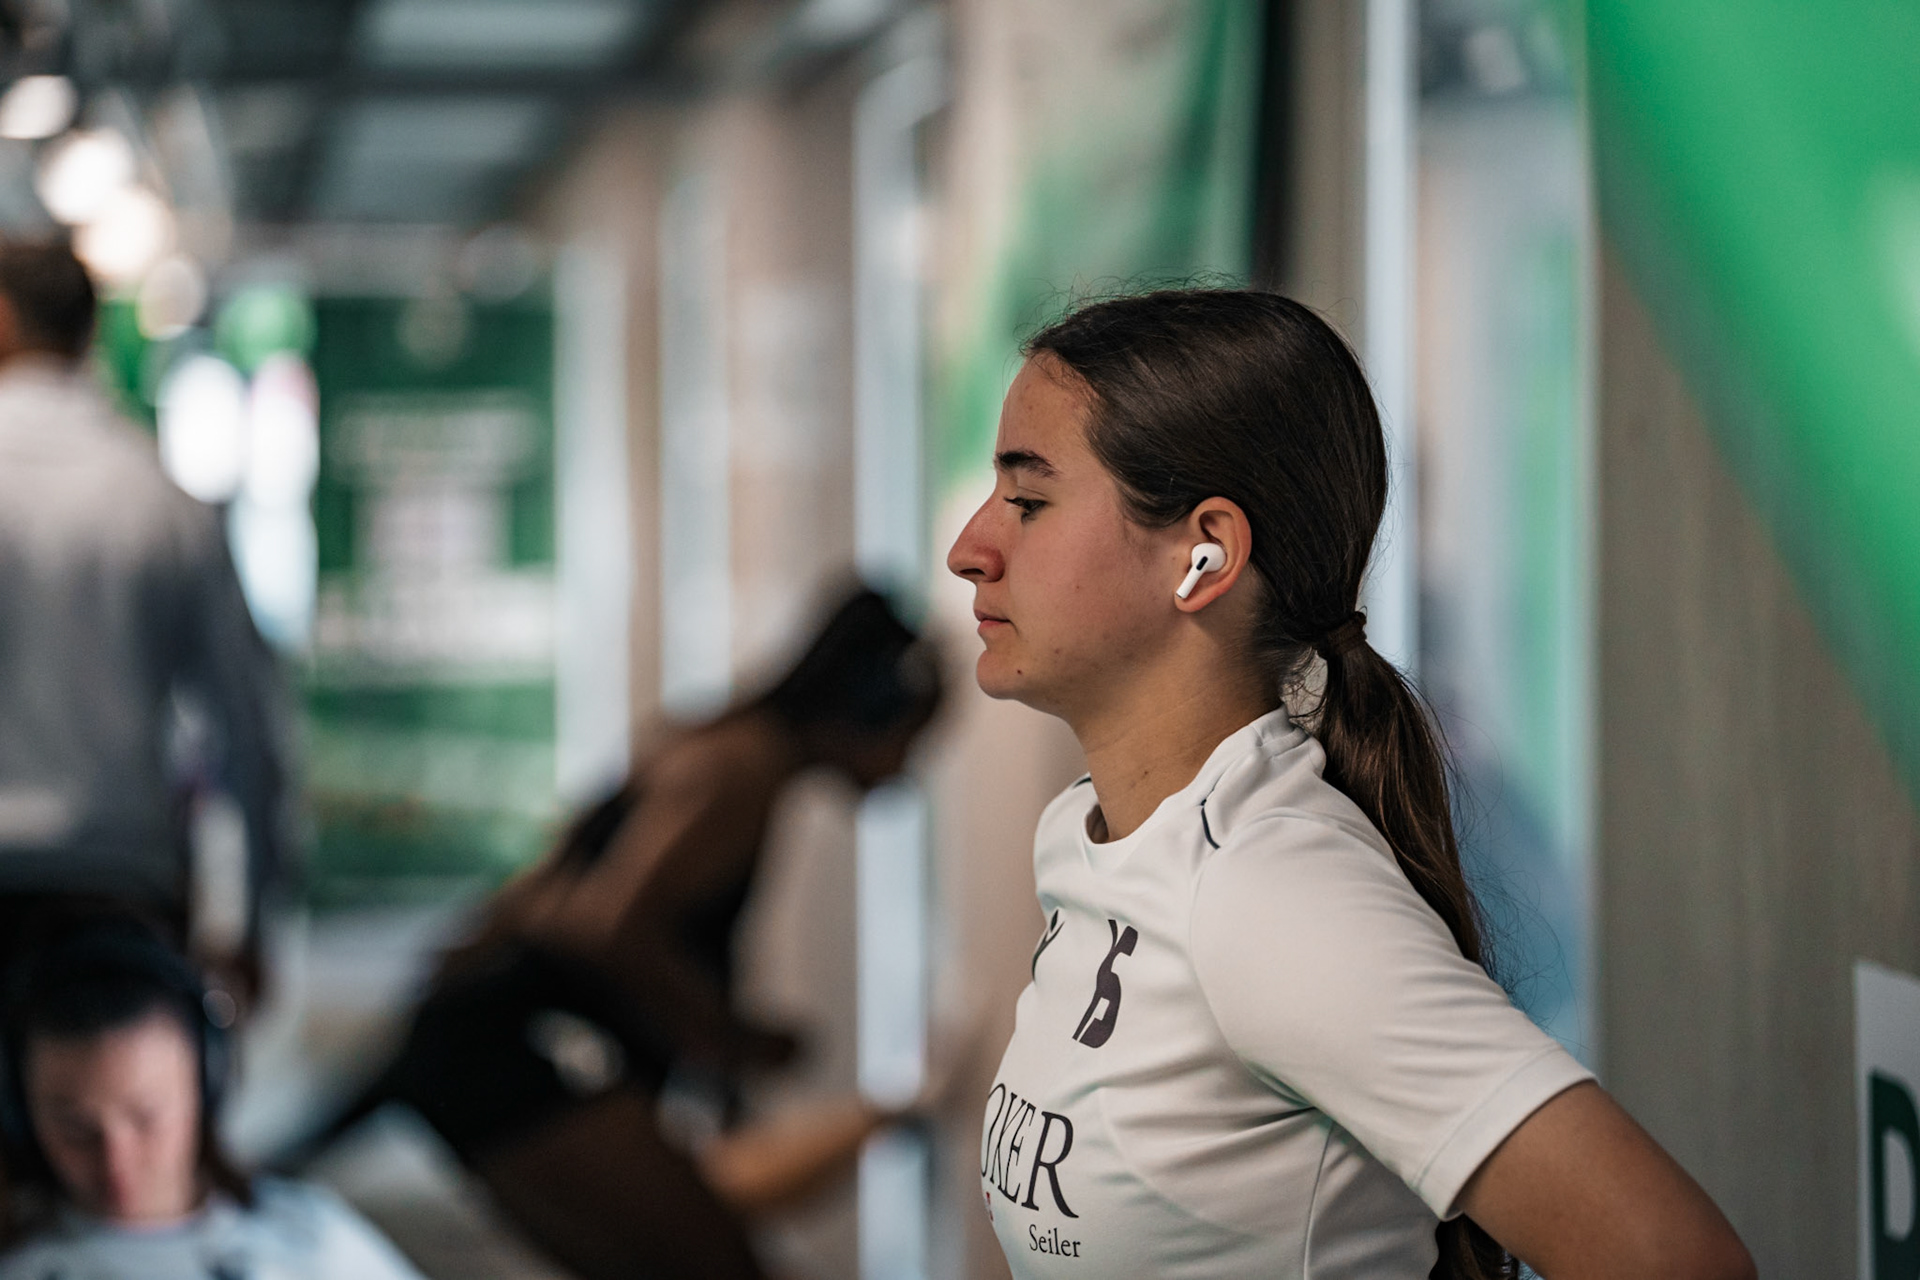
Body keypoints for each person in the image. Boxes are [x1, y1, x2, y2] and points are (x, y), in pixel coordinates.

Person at [945, 289, 1756, 1279]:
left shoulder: (1270, 895)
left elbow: (1673, 1255)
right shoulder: (1089, 837)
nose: (969, 548)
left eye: (1027, 500)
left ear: (1204, 553)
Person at [312, 586, 943, 1280]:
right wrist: (726, 1033)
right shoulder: (744, 770)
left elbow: (548, 886)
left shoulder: (713, 742)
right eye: (914, 738)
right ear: (873, 708)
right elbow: (603, 922)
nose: (907, 769)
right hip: (509, 1044)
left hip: (484, 1036)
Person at [0, 238, 287, 995]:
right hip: (121, 887)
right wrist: (254, 919)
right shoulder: (159, 496)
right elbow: (248, 724)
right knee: (116, 1115)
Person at [0, 919, 423, 1279]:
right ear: (22, 1112)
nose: (117, 1160)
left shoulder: (310, 1235)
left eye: (146, 1118)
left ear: (205, 1088)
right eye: (76, 1129)